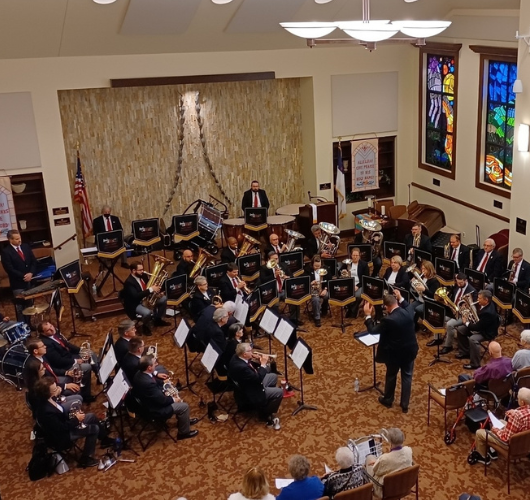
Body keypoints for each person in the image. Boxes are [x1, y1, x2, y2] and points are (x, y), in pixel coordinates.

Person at [33, 377, 114, 468]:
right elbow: (61, 428)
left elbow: (61, 415)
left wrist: (74, 415)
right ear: (48, 393)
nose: (58, 389)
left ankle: (104, 439)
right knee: (94, 429)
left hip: (66, 424)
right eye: (55, 389)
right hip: (62, 437)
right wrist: (76, 420)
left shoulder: (49, 399)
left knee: (91, 416)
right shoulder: (46, 412)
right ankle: (86, 458)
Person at [364, 290, 418, 413]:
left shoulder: (388, 320)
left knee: (391, 375)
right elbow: (408, 305)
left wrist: (368, 315)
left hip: (394, 354)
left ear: (386, 307)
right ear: (396, 302)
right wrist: (401, 297)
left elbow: (372, 330)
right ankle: (405, 405)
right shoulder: (408, 312)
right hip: (410, 351)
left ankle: (388, 400)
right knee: (407, 376)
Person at [132, 355, 199, 440]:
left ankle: (184, 421)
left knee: (173, 394)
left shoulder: (139, 373)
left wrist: (162, 384)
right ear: (149, 367)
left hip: (148, 401)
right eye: (154, 364)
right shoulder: (148, 384)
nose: (156, 364)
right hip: (156, 410)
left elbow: (155, 390)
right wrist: (174, 399)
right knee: (184, 406)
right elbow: (162, 401)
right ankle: (183, 433)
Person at [228, 343, 282, 426]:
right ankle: (265, 414)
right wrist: (263, 364)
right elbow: (258, 378)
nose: (252, 351)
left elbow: (249, 367)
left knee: (273, 376)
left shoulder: (236, 356)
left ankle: (267, 400)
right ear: (244, 354)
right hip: (253, 391)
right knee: (280, 392)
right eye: (250, 351)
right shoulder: (243, 368)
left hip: (249, 383)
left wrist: (251, 357)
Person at [38, 321, 94, 402]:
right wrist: (75, 361)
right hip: (65, 365)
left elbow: (67, 344)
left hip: (69, 356)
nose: (52, 329)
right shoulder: (47, 344)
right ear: (43, 333)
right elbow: (58, 361)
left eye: (51, 326)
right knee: (87, 367)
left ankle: (100, 375)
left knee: (91, 353)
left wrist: (81, 350)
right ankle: (86, 396)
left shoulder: (55, 333)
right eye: (48, 330)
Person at [473, 387, 530, 465]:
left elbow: (505, 438)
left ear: (522, 402)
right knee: (501, 421)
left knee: (479, 432)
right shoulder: (520, 413)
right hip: (526, 444)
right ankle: (492, 450)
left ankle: (483, 457)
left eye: (518, 399)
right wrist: (515, 412)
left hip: (511, 445)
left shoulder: (516, 416)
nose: (517, 400)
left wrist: (495, 430)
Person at [122, 261, 169, 335]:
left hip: (146, 298)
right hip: (135, 303)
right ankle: (145, 326)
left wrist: (156, 291)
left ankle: (158, 319)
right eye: (140, 270)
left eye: (142, 269)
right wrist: (151, 289)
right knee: (147, 312)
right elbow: (136, 296)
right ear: (133, 271)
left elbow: (148, 286)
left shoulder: (143, 276)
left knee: (163, 299)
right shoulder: (129, 282)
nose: (143, 271)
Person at [456, 290, 499, 370]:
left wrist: (466, 323)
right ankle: (465, 352)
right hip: (482, 325)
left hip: (487, 332)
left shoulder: (488, 312)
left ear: (486, 300)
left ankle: (475, 364)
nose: (477, 300)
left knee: (473, 339)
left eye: (479, 298)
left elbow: (477, 327)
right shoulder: (488, 303)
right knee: (460, 329)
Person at [1, 229, 37, 323]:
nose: (19, 240)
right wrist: (24, 276)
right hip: (18, 283)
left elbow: (33, 261)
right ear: (10, 240)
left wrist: (31, 273)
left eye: (19, 238)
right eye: (17, 239)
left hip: (30, 280)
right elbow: (9, 269)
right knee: (20, 307)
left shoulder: (25, 246)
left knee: (29, 305)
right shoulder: (6, 252)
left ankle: (29, 324)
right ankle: (22, 326)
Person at [365, 428, 413, 497]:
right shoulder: (409, 450)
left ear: (390, 441)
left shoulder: (385, 458)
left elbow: (376, 471)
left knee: (369, 458)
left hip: (385, 490)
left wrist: (377, 463)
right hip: (404, 484)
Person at [435, 272, 476, 352]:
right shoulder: (456, 286)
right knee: (439, 316)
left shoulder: (472, 291)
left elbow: (473, 307)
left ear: (465, 281)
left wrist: (464, 307)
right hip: (453, 311)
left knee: (450, 324)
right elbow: (452, 297)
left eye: (461, 283)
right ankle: (437, 339)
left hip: (463, 315)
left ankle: (448, 346)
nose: (459, 284)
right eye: (457, 282)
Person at [340, 247, 370, 318]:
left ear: (359, 256)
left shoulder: (364, 265)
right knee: (343, 293)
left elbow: (365, 278)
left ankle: (352, 311)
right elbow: (339, 272)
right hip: (348, 284)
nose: (355, 257)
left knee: (357, 296)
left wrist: (358, 286)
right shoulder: (347, 263)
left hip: (359, 284)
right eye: (354, 255)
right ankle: (351, 309)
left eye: (357, 255)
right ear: (351, 255)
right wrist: (343, 272)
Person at [306, 256, 329, 327]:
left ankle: (324, 309)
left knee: (327, 295)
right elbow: (304, 281)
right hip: (312, 289)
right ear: (312, 264)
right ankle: (317, 318)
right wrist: (311, 282)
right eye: (315, 266)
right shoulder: (307, 270)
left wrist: (325, 289)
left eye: (319, 266)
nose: (317, 268)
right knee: (316, 299)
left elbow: (329, 280)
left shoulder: (325, 269)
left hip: (323, 288)